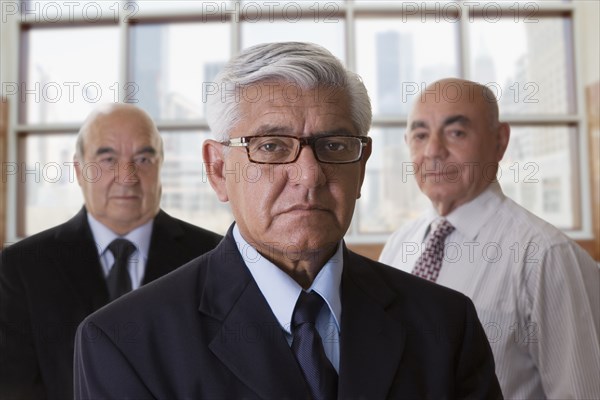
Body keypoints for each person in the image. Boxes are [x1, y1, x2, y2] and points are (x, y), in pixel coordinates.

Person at [73, 43, 502, 399]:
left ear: (362, 166)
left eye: (334, 145)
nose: (310, 175)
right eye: (272, 146)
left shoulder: (446, 324)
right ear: (218, 169)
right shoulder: (124, 341)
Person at [380, 78, 600, 399]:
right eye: (420, 135)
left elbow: (582, 392)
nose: (433, 151)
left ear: (500, 141)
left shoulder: (546, 255)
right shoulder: (399, 246)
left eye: (456, 133)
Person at [0, 103, 223, 400]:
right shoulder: (20, 266)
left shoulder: (215, 257)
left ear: (160, 166)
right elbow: (14, 387)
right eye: (107, 159)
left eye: (143, 158)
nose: (127, 176)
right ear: (79, 170)